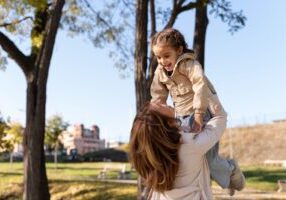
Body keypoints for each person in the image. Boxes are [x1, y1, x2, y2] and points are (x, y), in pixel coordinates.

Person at [150, 28, 245, 195]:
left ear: (178, 50)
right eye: (158, 57)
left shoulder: (189, 65)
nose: (163, 61)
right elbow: (157, 95)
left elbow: (200, 87)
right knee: (186, 159)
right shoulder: (160, 72)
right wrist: (156, 117)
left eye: (166, 56)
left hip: (199, 112)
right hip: (180, 117)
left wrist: (200, 115)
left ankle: (231, 172)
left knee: (209, 160)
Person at [129, 96, 233, 199]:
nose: (159, 101)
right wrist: (206, 90)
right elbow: (220, 117)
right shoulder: (191, 144)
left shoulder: (154, 160)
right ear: (166, 123)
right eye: (158, 105)